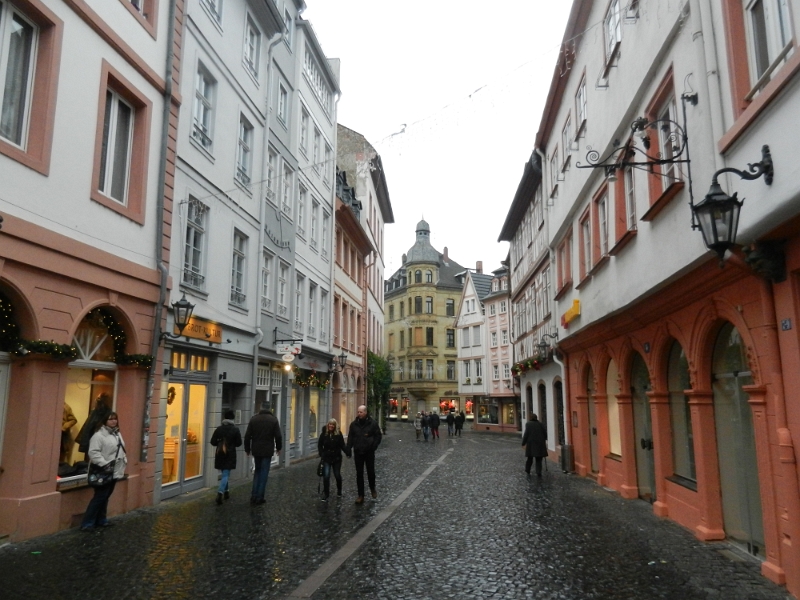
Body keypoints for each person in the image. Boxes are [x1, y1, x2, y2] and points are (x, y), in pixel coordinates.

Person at [80, 411, 127, 531]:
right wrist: (104, 464)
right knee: (100, 497)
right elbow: (93, 453)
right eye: (110, 419)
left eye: (115, 419)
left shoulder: (116, 433)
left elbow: (120, 449)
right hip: (103, 471)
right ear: (104, 421)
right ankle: (87, 523)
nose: (113, 421)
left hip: (114, 470)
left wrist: (123, 461)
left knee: (106, 496)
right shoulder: (98, 436)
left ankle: (101, 520)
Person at [244, 406, 282, 505]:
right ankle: (260, 497)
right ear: (269, 410)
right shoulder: (273, 420)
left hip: (256, 449)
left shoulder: (254, 419)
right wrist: (279, 448)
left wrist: (247, 449)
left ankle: (254, 495)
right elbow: (278, 436)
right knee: (264, 473)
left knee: (257, 471)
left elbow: (247, 436)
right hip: (267, 450)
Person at [346, 405, 382, 504]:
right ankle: (360, 495)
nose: (359, 414)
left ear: (365, 412)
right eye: (358, 412)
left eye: (361, 412)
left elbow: (378, 436)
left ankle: (372, 488)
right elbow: (350, 438)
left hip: (369, 452)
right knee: (359, 474)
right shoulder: (354, 424)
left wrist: (373, 446)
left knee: (371, 472)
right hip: (358, 452)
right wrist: (348, 449)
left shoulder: (372, 423)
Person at [210, 409, 242, 505]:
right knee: (226, 473)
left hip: (220, 453)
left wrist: (220, 442)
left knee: (225, 472)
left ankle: (226, 491)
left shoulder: (219, 429)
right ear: (233, 418)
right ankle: (220, 492)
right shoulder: (235, 429)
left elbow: (213, 442)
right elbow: (239, 443)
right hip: (230, 454)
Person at [318, 418, 350, 501]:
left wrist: (347, 452)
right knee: (326, 476)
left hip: (336, 458)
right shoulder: (324, 434)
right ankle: (326, 494)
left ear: (335, 426)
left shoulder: (338, 434)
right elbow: (320, 444)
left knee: (337, 475)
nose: (331, 426)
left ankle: (339, 490)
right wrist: (321, 453)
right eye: (330, 424)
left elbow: (342, 445)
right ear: (328, 425)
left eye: (333, 425)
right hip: (327, 458)